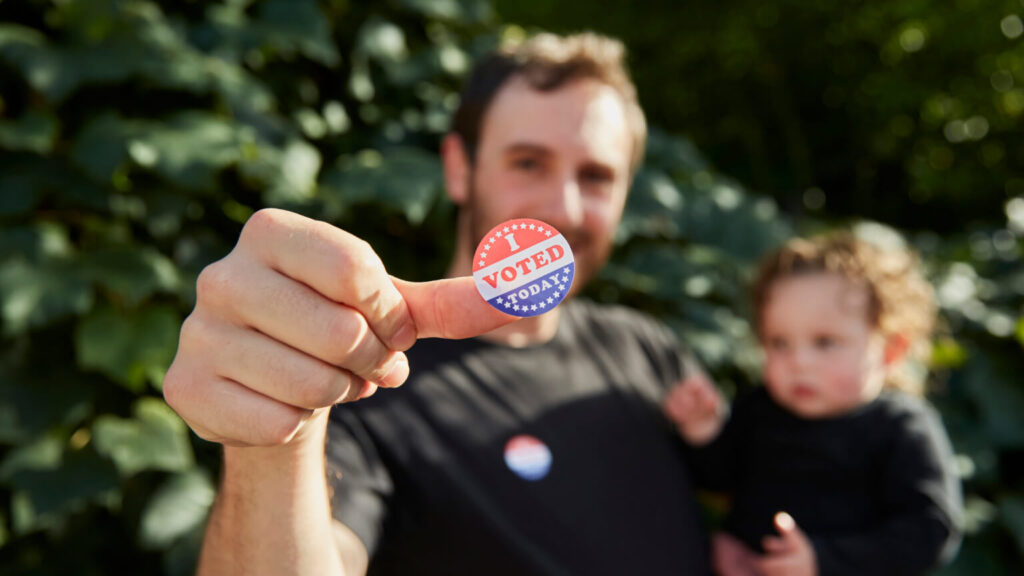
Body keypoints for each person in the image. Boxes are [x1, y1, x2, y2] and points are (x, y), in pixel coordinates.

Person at [164, 32, 711, 575]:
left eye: (596, 176)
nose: (563, 208)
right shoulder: (363, 373)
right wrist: (275, 441)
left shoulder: (648, 349)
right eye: (527, 163)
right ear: (458, 168)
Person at [664, 233, 963, 576]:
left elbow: (929, 530)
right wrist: (702, 432)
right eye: (779, 343)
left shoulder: (901, 427)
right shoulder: (760, 409)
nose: (799, 362)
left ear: (891, 350)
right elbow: (718, 479)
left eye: (825, 342)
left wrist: (822, 561)